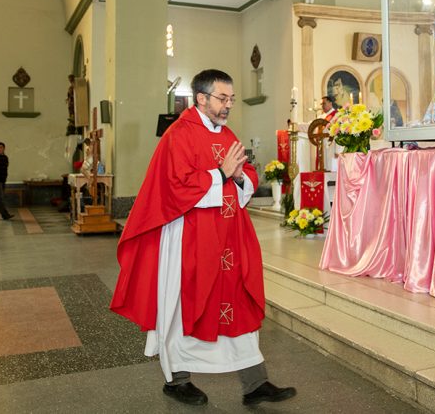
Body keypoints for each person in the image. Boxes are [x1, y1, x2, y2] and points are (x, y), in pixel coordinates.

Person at [110, 69, 296, 407]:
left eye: (232, 100)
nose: (228, 106)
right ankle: (177, 380)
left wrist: (240, 178)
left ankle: (256, 382)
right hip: (187, 238)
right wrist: (221, 173)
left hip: (227, 237)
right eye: (222, 99)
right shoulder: (178, 135)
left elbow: (245, 173)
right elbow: (174, 186)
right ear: (201, 98)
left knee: (236, 301)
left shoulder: (225, 133)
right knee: (182, 307)